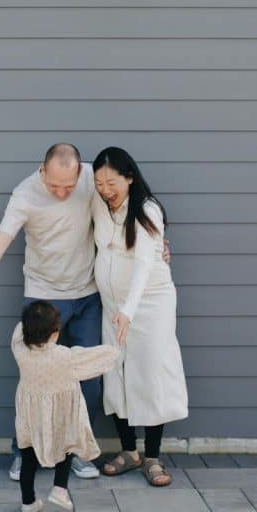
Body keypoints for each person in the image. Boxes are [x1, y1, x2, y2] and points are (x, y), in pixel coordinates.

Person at [0, 143, 104, 481]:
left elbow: (125, 209)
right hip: (43, 298)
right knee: (36, 381)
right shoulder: (25, 193)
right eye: (54, 185)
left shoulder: (91, 178)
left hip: (87, 295)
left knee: (90, 382)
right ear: (42, 170)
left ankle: (77, 453)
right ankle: (24, 453)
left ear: (79, 173)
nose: (60, 192)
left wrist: (159, 246)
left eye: (68, 187)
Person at [91, 146, 188, 487]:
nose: (105, 189)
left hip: (149, 304)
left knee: (149, 372)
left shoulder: (147, 210)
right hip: (113, 305)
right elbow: (75, 168)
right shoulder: (99, 204)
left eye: (113, 182)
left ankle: (153, 457)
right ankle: (129, 451)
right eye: (99, 182)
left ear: (130, 178)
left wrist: (128, 312)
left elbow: (146, 264)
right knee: (116, 373)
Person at [11, 300, 119, 512]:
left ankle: (28, 503)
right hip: (62, 416)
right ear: (55, 333)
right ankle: (59, 489)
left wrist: (29, 320)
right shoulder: (66, 357)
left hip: (30, 419)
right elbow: (98, 358)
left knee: (28, 461)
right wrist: (116, 347)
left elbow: (18, 330)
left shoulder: (20, 350)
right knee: (67, 447)